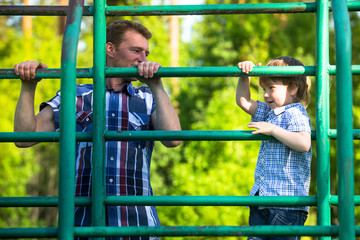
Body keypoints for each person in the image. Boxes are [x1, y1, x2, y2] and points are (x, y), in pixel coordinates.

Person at [13, 20, 181, 240]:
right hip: (83, 227)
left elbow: (173, 139)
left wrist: (157, 85)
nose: (144, 59)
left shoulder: (147, 97)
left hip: (138, 227)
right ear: (110, 49)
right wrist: (28, 86)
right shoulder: (75, 96)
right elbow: (24, 138)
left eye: (146, 53)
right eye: (136, 51)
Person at [235, 56, 312, 240]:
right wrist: (245, 75)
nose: (265, 94)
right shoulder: (270, 112)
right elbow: (243, 101)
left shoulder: (295, 113)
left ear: (293, 88)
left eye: (271, 88)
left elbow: (304, 143)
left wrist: (273, 130)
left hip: (287, 205)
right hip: (262, 199)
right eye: (264, 89)